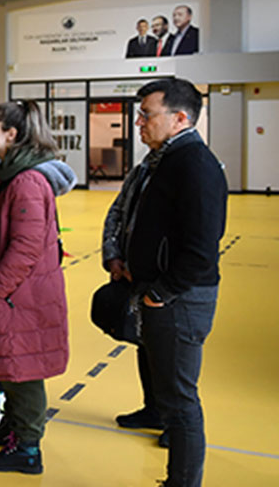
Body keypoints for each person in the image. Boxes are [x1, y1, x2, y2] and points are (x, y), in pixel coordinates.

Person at [127, 78, 226, 487]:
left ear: (180, 118)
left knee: (181, 401)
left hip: (180, 301)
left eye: (147, 115)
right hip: (167, 297)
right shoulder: (166, 160)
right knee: (171, 393)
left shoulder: (195, 165)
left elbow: (202, 249)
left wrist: (158, 294)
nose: (138, 122)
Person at [0, 100, 76, 475]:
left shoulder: (27, 181)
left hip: (19, 295)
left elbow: (26, 246)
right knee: (12, 365)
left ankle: (28, 449)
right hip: (17, 294)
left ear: (11, 135)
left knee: (25, 369)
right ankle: (12, 430)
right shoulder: (12, 176)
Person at [102, 129, 166, 441]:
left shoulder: (187, 170)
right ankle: (153, 409)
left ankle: (175, 424)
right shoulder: (142, 171)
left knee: (172, 356)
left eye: (147, 114)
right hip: (134, 276)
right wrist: (114, 256)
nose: (140, 122)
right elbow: (117, 211)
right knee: (146, 344)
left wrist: (164, 284)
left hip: (165, 284)